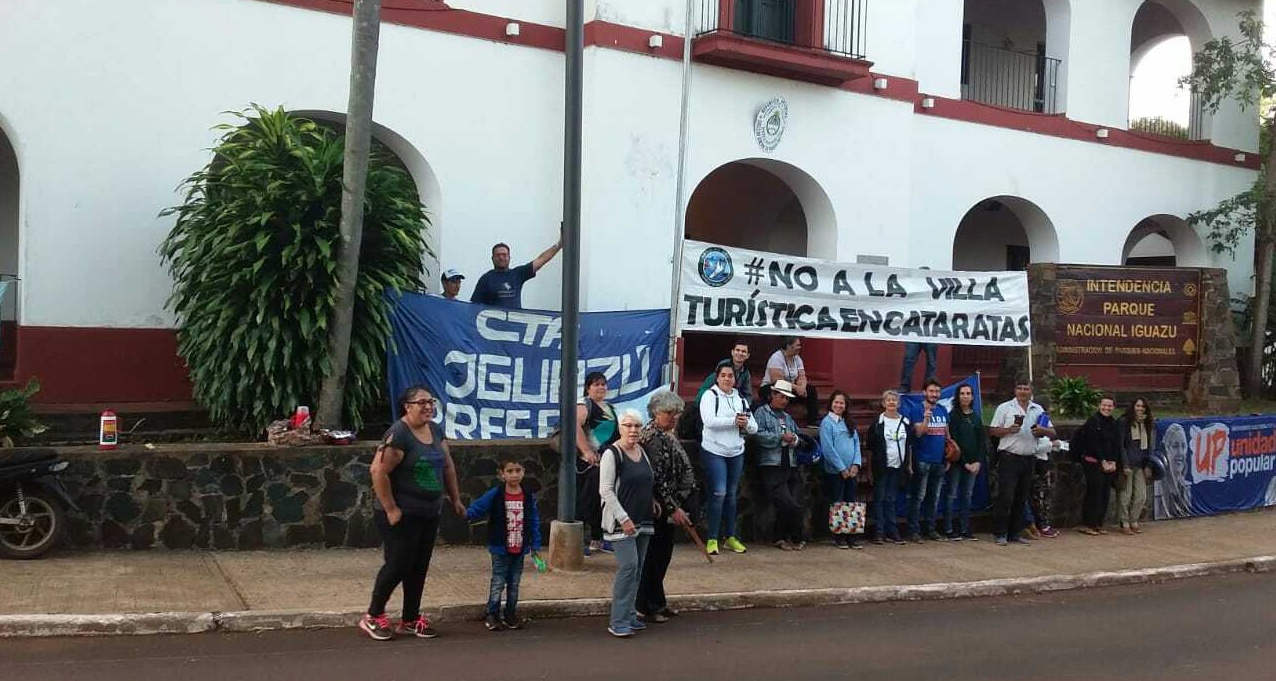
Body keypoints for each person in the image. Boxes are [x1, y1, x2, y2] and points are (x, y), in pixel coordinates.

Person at [359, 386, 466, 641]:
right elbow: (378, 472)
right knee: (398, 564)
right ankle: (373, 615)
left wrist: (456, 499)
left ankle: (410, 618)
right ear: (408, 406)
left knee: (418, 567)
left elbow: (447, 466)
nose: (428, 406)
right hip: (401, 514)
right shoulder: (399, 434)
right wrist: (391, 509)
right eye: (422, 402)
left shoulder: (435, 430)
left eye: (431, 402)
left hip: (429, 512)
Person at [635, 389, 697, 624]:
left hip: (669, 502)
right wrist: (673, 508)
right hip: (659, 507)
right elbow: (657, 479)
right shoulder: (654, 438)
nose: (673, 417)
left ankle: (657, 601)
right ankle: (647, 605)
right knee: (654, 557)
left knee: (662, 555)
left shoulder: (667, 434)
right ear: (656, 413)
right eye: (668, 413)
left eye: (676, 413)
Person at [465, 459, 542, 632]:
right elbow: (479, 507)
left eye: (518, 470)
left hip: (520, 547)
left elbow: (533, 520)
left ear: (523, 472)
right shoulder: (496, 494)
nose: (514, 475)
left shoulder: (528, 495)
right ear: (502, 474)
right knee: (498, 581)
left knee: (514, 583)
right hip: (500, 546)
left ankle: (510, 614)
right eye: (510, 471)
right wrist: (465, 514)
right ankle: (492, 613)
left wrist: (535, 545)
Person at [599, 409, 656, 638]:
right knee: (629, 566)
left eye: (636, 426)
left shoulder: (642, 450)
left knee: (639, 568)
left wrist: (651, 501)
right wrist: (623, 518)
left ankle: (631, 614)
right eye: (628, 425)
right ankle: (618, 619)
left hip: (643, 517)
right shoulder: (612, 454)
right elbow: (605, 490)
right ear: (620, 427)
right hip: (621, 521)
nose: (633, 430)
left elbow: (645, 479)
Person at [699, 363, 758, 556]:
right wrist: (733, 421)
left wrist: (746, 422)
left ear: (735, 379)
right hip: (714, 450)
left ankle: (731, 537)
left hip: (736, 451)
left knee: (732, 495)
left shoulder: (740, 398)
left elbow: (754, 427)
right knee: (719, 493)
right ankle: (712, 538)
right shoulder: (710, 396)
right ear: (717, 378)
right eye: (723, 375)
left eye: (730, 376)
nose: (726, 379)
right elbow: (709, 421)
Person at [987, 379, 1055, 546]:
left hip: (1029, 458)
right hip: (1010, 457)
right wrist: (1008, 430)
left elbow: (1052, 431)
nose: (1023, 391)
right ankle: (1000, 533)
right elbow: (992, 430)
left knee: (1021, 498)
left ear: (1031, 391)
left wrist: (1042, 430)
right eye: (1020, 388)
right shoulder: (1005, 408)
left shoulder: (1037, 409)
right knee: (1006, 497)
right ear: (1015, 390)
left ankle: (1014, 533)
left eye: (1026, 388)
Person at [755, 380, 806, 551]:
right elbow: (758, 435)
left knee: (789, 502)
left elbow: (798, 436)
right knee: (787, 502)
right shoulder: (762, 413)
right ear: (773, 395)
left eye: (786, 398)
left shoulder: (788, 417)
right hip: (772, 463)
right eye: (781, 397)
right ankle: (796, 536)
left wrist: (794, 440)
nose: (784, 401)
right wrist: (779, 438)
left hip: (789, 462)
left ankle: (782, 537)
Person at [575, 371, 618, 555]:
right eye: (596, 384)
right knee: (585, 501)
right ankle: (579, 541)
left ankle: (597, 539)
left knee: (603, 500)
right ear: (588, 388)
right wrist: (586, 451)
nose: (601, 387)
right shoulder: (584, 404)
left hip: (607, 462)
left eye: (603, 384)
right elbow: (574, 425)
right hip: (589, 462)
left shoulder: (611, 408)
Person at [905, 379, 949, 542]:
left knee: (934, 496)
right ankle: (913, 530)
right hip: (922, 459)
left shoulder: (943, 410)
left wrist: (949, 452)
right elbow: (918, 433)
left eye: (937, 391)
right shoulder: (917, 409)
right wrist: (926, 419)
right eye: (931, 391)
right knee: (919, 497)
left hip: (939, 460)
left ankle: (930, 528)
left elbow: (946, 433)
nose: (934, 394)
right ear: (924, 392)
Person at [866, 389, 912, 545]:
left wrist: (909, 465)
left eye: (894, 400)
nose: (891, 402)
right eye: (888, 400)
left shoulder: (905, 422)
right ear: (883, 403)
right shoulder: (877, 423)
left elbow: (909, 445)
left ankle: (892, 531)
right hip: (881, 467)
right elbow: (870, 448)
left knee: (891, 499)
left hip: (898, 467)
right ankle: (879, 532)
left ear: (899, 403)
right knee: (879, 499)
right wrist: (870, 471)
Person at [1072, 396, 1122, 535]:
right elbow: (1094, 443)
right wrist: (1102, 461)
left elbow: (1116, 444)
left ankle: (1099, 523)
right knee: (1095, 491)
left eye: (1110, 406)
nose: (1107, 408)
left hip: (1108, 463)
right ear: (1099, 406)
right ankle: (1088, 523)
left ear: (1114, 407)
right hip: (1092, 462)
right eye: (1104, 405)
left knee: (1105, 493)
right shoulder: (1093, 421)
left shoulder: (1113, 422)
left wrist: (1113, 461)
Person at [820, 390, 863, 549]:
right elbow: (828, 449)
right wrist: (841, 468)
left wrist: (855, 464)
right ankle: (839, 537)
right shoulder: (827, 423)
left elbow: (856, 444)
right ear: (831, 404)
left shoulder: (849, 422)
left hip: (851, 471)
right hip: (835, 471)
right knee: (838, 502)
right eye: (836, 402)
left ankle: (851, 536)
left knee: (850, 502)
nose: (839, 405)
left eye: (842, 403)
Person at [943, 383, 986, 541]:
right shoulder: (953, 416)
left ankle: (965, 528)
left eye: (968, 393)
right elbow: (953, 441)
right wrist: (965, 463)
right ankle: (948, 528)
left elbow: (982, 442)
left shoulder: (975, 417)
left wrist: (978, 462)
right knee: (951, 495)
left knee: (967, 496)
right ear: (957, 396)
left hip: (974, 464)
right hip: (957, 463)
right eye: (962, 393)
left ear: (972, 397)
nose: (965, 396)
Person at [470, 238, 562, 309]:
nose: (501, 257)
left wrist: (559, 244)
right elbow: (473, 307)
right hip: (493, 330)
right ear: (492, 258)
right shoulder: (486, 279)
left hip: (514, 327)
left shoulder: (517, 274)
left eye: (504, 255)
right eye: (498, 255)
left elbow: (541, 260)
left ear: (509, 257)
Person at [1116, 397, 1156, 535]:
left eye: (1143, 406)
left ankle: (1134, 520)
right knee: (1125, 495)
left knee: (1141, 496)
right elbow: (1121, 445)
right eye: (1138, 406)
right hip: (1127, 464)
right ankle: (1124, 522)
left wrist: (1149, 465)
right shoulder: (1124, 422)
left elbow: (1150, 446)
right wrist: (1125, 464)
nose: (1140, 409)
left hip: (1141, 464)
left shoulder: (1147, 423)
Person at [759, 336, 819, 423]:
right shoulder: (776, 357)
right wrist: (796, 388)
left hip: (790, 387)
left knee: (811, 390)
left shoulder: (797, 358)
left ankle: (812, 421)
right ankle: (778, 420)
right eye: (797, 345)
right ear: (789, 346)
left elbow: (802, 376)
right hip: (772, 387)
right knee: (781, 390)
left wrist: (802, 387)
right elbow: (777, 381)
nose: (800, 347)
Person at [695, 339, 753, 407]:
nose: (740, 353)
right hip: (716, 399)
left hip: (733, 402)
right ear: (732, 352)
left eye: (743, 351)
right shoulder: (723, 365)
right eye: (737, 350)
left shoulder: (746, 373)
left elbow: (748, 395)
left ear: (747, 355)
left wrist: (744, 407)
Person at [1155, 423, 1193, 518]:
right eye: (1175, 446)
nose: (1180, 453)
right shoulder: (1158, 489)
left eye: (1183, 446)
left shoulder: (1186, 487)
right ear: (1166, 448)